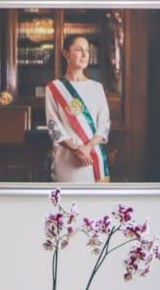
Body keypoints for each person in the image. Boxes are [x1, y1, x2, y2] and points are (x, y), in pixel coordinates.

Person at [44, 35, 111, 183]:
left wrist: (88, 147)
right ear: (66, 53)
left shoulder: (97, 87)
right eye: (79, 49)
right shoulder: (54, 88)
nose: (85, 54)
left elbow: (104, 123)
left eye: (87, 50)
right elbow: (53, 125)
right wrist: (75, 149)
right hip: (68, 159)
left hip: (93, 155)